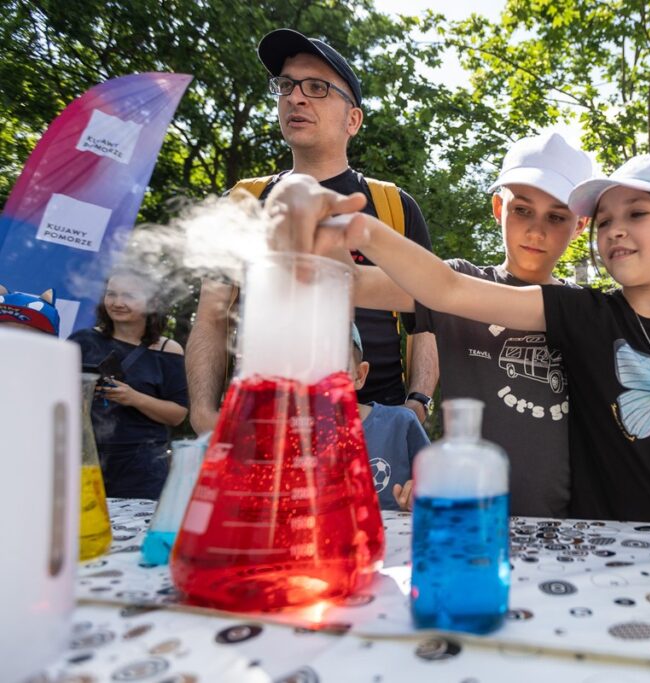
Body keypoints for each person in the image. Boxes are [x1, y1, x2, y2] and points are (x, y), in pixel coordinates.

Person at [265, 155, 650, 526]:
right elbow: (439, 286)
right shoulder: (584, 314)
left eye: (636, 215)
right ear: (498, 208)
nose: (616, 232)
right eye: (609, 219)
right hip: (542, 532)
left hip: (648, 532)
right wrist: (334, 236)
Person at [186, 28, 438, 435]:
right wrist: (202, 415)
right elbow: (211, 319)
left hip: (373, 430)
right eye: (286, 85)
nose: (295, 97)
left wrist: (417, 404)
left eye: (317, 87)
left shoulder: (393, 206)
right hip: (260, 425)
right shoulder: (243, 201)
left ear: (352, 120)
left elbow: (425, 321)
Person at [391, 132, 590, 517]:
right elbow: (366, 285)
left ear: (580, 225)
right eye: (523, 209)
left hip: (569, 529)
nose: (536, 230)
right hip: (469, 520)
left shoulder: (588, 310)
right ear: (498, 207)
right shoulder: (457, 283)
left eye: (556, 216)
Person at [70, 268, 189, 499]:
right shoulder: (82, 341)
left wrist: (134, 398)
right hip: (83, 459)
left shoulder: (168, 350)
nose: (117, 302)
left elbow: (178, 415)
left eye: (129, 296)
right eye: (111, 294)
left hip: (142, 467)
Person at [350, 324, 426, 512]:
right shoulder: (286, 440)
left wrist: (421, 492)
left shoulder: (400, 424)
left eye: (335, 369)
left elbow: (439, 485)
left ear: (359, 375)